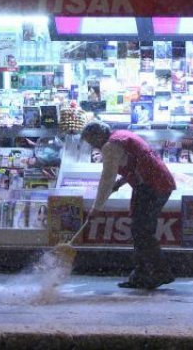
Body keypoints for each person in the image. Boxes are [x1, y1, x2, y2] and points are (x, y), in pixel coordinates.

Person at [80, 120, 176, 289]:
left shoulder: (110, 146)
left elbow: (106, 178)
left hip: (151, 186)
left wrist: (97, 208)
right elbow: (137, 160)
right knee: (140, 231)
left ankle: (158, 273)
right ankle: (143, 275)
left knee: (142, 231)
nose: (92, 146)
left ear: (98, 136)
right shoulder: (123, 136)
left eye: (91, 141)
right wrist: (121, 182)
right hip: (157, 183)